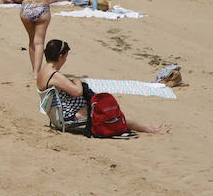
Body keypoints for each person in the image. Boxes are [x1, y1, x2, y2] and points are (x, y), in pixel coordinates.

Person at [36, 40, 170, 134]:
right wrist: (77, 80)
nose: (65, 60)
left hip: (58, 114)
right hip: (66, 117)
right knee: (108, 110)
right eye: (65, 57)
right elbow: (77, 92)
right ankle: (150, 129)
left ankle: (148, 127)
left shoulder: (43, 71)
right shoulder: (55, 75)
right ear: (60, 56)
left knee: (103, 105)